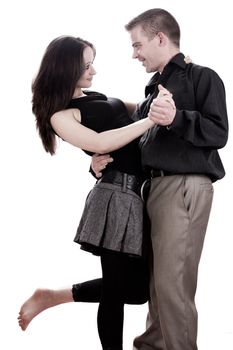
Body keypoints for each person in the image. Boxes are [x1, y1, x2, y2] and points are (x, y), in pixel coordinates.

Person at [18, 35, 174, 350]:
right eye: (86, 66)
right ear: (65, 70)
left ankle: (54, 296)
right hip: (113, 198)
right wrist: (149, 121)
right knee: (117, 293)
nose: (94, 71)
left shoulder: (95, 96)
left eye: (92, 63)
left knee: (139, 291)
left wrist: (162, 97)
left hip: (136, 196)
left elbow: (136, 111)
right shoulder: (61, 116)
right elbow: (102, 143)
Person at [91, 8, 229, 350]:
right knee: (155, 283)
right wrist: (97, 158)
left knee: (172, 285)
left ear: (160, 38)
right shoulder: (153, 89)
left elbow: (219, 132)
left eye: (138, 45)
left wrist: (177, 118)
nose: (134, 54)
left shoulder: (202, 77)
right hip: (152, 189)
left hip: (183, 186)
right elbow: (133, 140)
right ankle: (151, 346)